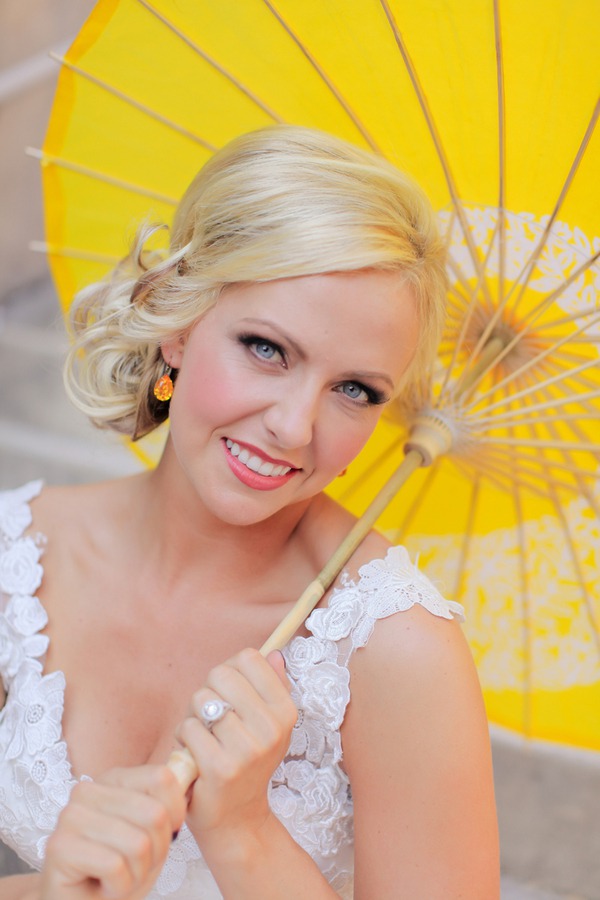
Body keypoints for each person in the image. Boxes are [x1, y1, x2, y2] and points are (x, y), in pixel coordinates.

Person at [0, 126, 499, 899]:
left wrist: (243, 831)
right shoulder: (18, 561)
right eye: (267, 348)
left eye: (355, 390)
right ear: (176, 320)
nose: (295, 428)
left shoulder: (397, 650)